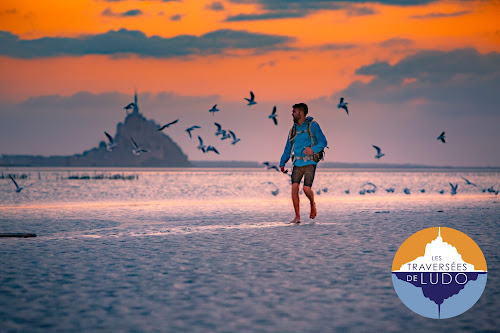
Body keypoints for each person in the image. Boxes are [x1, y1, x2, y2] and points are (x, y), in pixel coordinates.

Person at [279, 103, 327, 224]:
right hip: (297, 163)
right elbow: (288, 148)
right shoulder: (293, 129)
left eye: (294, 112)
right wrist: (282, 162)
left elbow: (323, 142)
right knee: (294, 187)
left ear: (301, 112)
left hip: (310, 162)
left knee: (306, 189)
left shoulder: (313, 126)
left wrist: (313, 150)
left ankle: (312, 203)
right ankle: (297, 217)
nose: (292, 114)